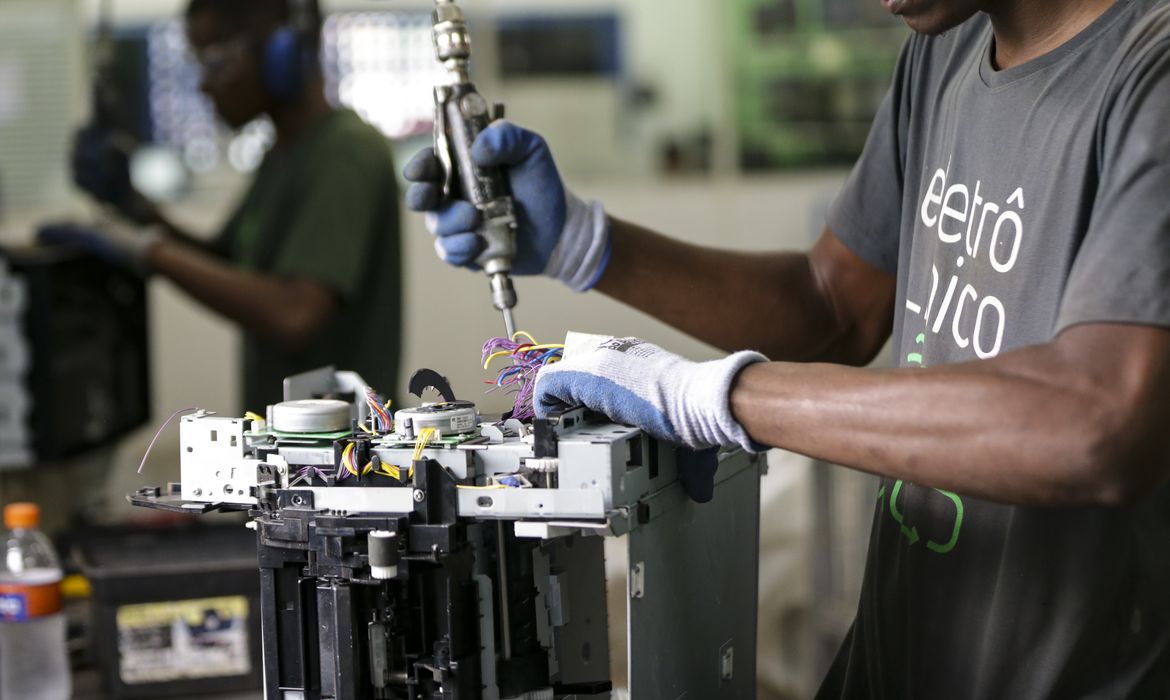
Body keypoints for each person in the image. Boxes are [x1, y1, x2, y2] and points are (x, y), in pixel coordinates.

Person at [405, 0, 1170, 696]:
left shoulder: (1149, 69)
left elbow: (1097, 421)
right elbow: (834, 304)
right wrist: (581, 242)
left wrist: (711, 396)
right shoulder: (946, 48)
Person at [56, 0, 401, 411]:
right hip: (288, 440)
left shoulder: (345, 152)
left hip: (336, 454)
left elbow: (294, 314)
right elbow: (230, 261)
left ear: (281, 48)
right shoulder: (284, 153)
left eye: (214, 60)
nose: (204, 85)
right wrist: (135, 210)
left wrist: (148, 251)